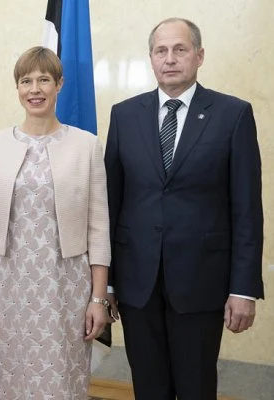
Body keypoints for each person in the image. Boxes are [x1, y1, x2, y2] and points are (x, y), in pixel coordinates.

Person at [105, 17, 264, 400]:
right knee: (148, 387)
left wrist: (243, 288)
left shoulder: (233, 114)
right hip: (137, 283)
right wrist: (106, 282)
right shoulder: (124, 116)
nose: (170, 59)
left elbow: (247, 209)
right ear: (151, 58)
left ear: (199, 56)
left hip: (202, 282)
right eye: (161, 51)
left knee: (196, 387)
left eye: (180, 49)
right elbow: (110, 204)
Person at [0, 46, 111, 399]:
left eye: (44, 80)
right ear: (17, 88)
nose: (35, 89)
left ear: (59, 84)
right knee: (12, 381)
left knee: (64, 382)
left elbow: (98, 229)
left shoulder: (86, 146)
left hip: (67, 289)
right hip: (9, 290)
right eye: (26, 81)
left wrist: (98, 298)